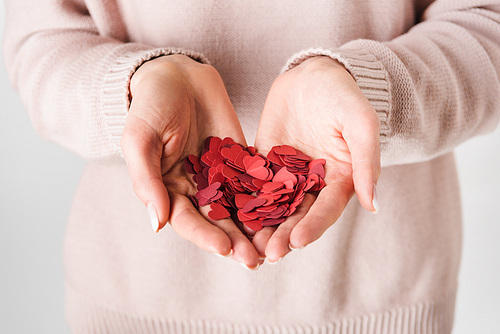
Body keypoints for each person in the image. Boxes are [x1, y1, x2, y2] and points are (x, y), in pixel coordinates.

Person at [3, 0, 499, 333]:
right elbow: (40, 39)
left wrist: (366, 92)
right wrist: (134, 87)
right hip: (133, 300)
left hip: (383, 301)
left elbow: (487, 25)